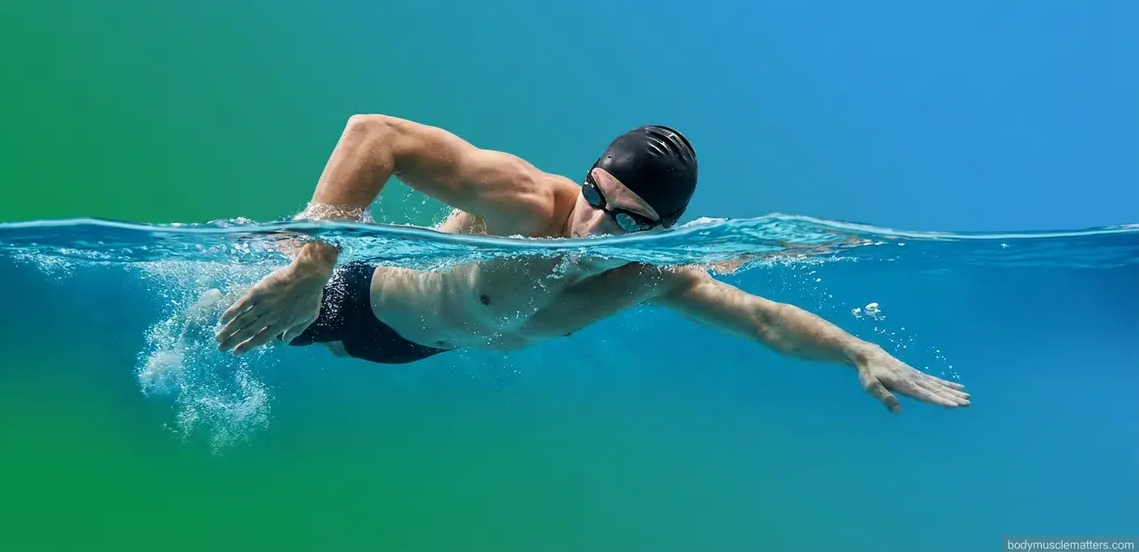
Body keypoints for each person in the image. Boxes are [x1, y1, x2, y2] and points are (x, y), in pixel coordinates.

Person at [212, 114, 969, 413]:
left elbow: (764, 321)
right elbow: (374, 135)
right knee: (203, 326)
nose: (597, 222)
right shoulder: (524, 200)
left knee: (314, 354)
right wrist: (312, 266)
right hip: (349, 296)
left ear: (662, 232)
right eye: (596, 193)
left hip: (413, 347)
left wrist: (857, 351)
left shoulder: (647, 276)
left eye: (628, 220)